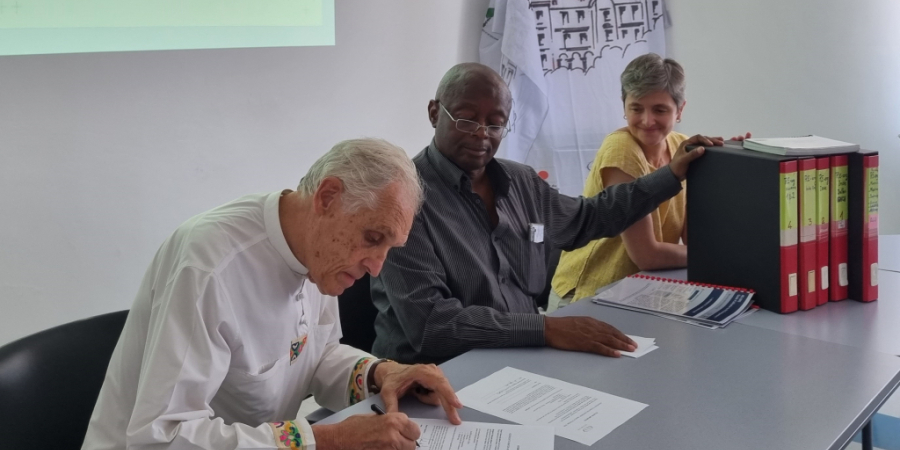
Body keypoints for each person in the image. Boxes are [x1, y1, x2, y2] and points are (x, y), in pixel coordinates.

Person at [82, 138, 462, 450]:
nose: (376, 267)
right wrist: (324, 440)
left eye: (388, 248)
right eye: (373, 238)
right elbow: (161, 438)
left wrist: (381, 374)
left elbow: (315, 355)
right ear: (327, 197)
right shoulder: (210, 264)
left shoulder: (319, 251)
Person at [369, 62, 721, 365]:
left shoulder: (519, 181)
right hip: (434, 378)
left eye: (495, 124)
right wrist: (546, 327)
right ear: (434, 113)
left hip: (523, 361)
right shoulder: (402, 200)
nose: (481, 135)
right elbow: (433, 325)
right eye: (466, 119)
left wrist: (671, 174)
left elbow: (589, 218)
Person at [551, 53, 750, 309]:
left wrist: (735, 170)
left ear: (680, 110)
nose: (647, 121)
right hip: (586, 296)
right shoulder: (622, 149)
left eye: (660, 110)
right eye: (636, 108)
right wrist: (718, 258)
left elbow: (697, 239)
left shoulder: (681, 146)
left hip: (641, 292)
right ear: (624, 106)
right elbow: (647, 255)